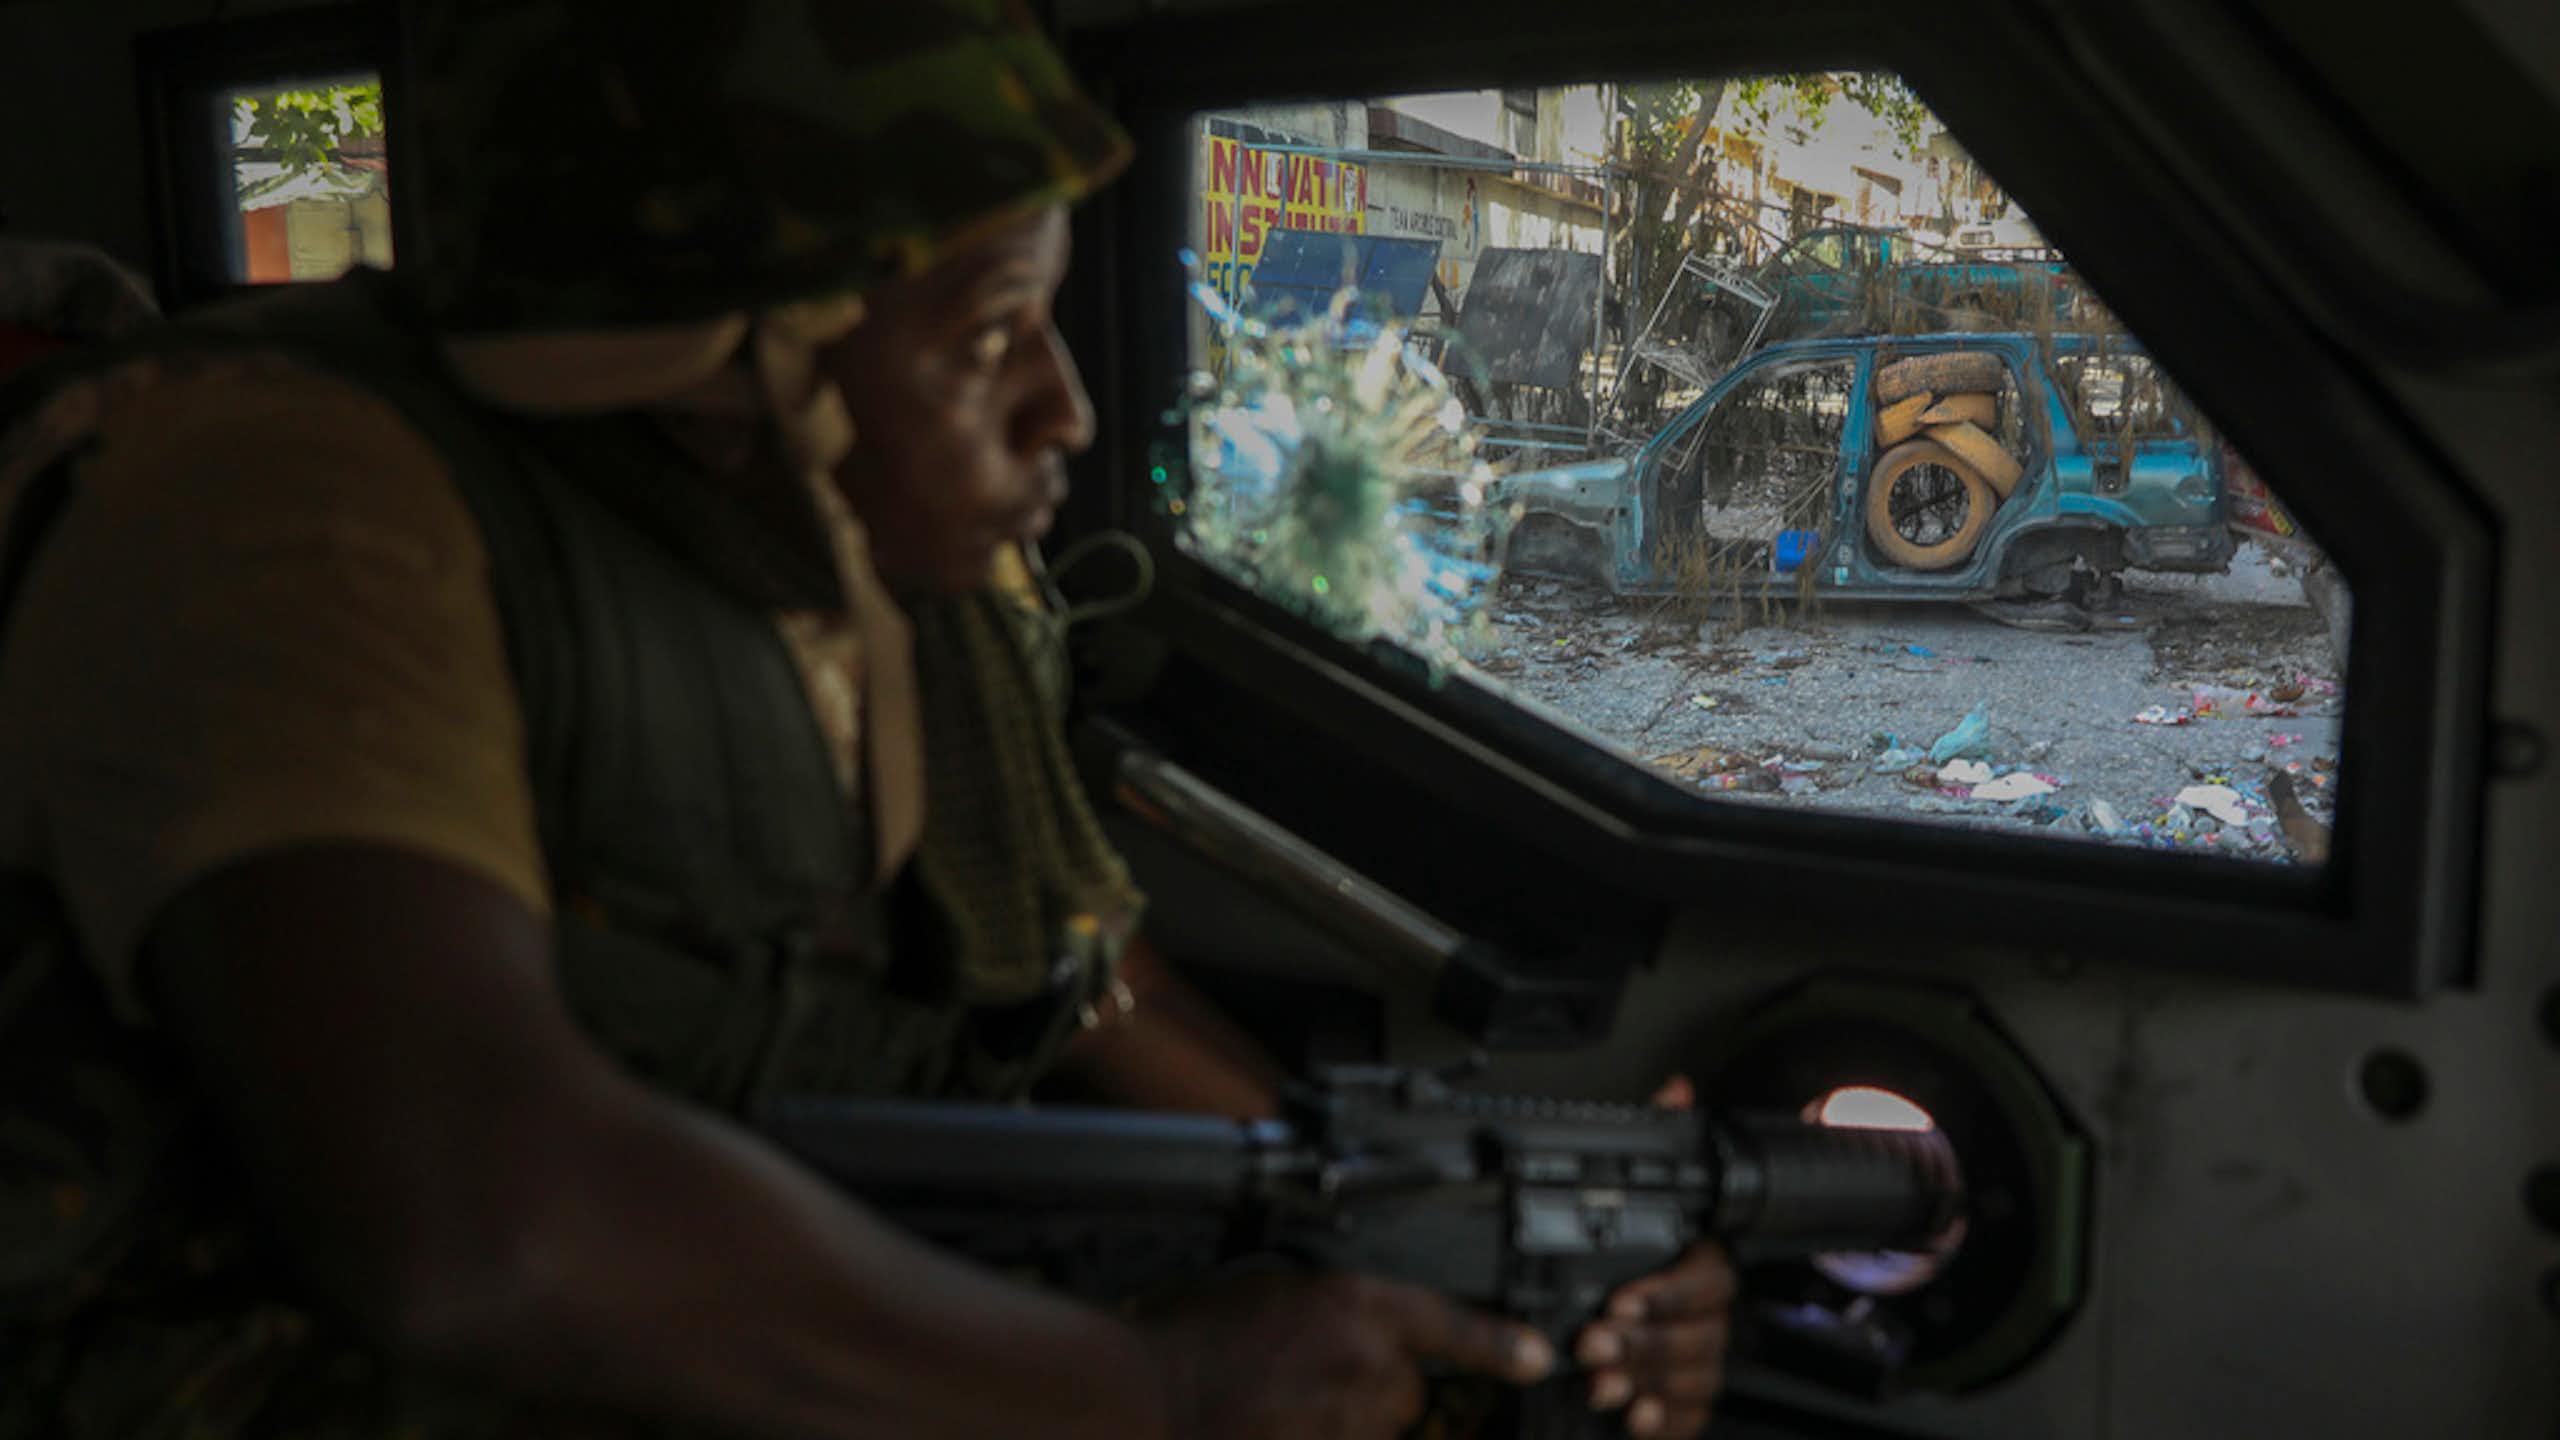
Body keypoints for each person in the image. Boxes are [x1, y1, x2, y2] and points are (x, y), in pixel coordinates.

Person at [0, 3, 1734, 1437]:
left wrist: (1433, 1250)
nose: (1062, 412)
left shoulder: (912, 577)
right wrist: (1153, 1388)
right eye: (989, 337)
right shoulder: (286, 505)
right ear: (714, 366)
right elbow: (474, 1223)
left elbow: (1082, 980)